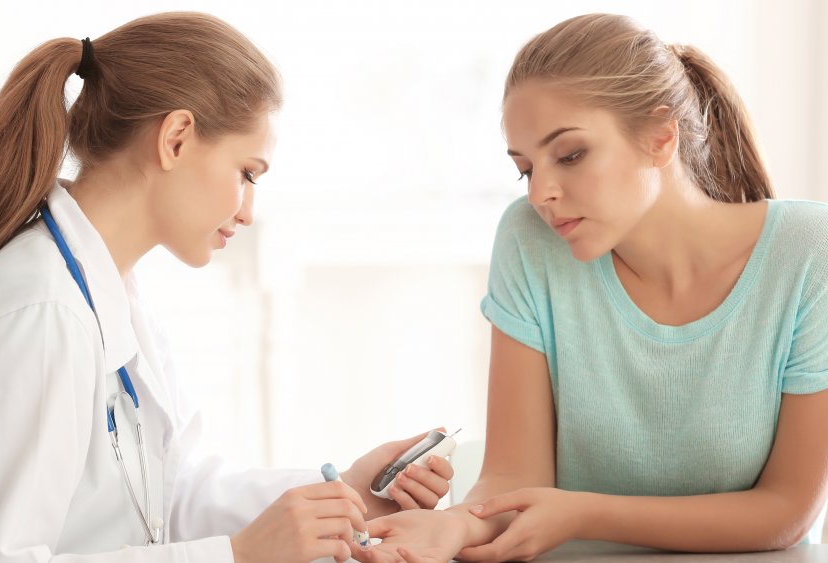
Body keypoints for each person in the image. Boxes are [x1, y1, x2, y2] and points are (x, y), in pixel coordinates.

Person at [0, 12, 454, 563]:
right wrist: (239, 554)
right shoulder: (43, 312)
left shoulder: (108, 291)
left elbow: (167, 496)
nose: (249, 211)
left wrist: (345, 495)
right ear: (176, 138)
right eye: (247, 173)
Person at [353, 13, 828, 563]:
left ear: (661, 135)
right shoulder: (531, 242)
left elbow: (787, 510)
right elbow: (512, 478)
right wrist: (453, 528)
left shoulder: (808, 253)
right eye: (525, 169)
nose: (540, 194)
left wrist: (583, 513)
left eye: (571, 155)